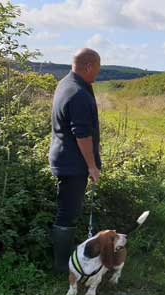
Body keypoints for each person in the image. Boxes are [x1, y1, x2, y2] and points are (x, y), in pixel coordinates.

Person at [48, 48, 102, 273]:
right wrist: (91, 165)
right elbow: (82, 134)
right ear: (88, 66)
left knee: (69, 210)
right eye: (97, 69)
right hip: (73, 163)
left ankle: (67, 261)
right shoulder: (78, 93)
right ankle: (62, 267)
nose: (97, 74)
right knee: (67, 212)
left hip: (65, 158)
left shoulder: (66, 84)